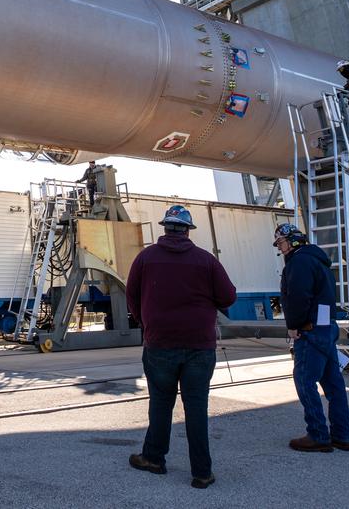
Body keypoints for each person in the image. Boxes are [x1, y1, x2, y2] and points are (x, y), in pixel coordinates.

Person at [126, 204, 237, 489]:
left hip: (159, 344)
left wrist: (146, 322)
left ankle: (153, 458)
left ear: (165, 228)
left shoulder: (145, 258)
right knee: (196, 407)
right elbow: (227, 297)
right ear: (188, 230)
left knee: (161, 404)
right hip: (199, 346)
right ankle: (202, 472)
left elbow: (132, 296)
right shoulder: (206, 260)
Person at [274, 223, 349, 452]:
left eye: (280, 242)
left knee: (305, 381)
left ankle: (318, 434)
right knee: (334, 385)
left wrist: (294, 326)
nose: (280, 248)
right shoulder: (319, 261)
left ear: (292, 240)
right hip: (327, 327)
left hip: (310, 330)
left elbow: (298, 296)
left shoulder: (299, 262)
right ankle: (342, 435)